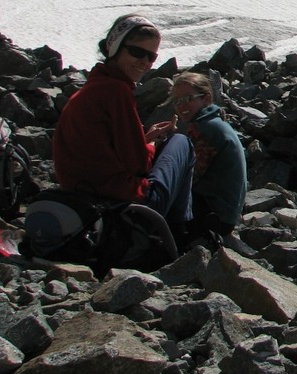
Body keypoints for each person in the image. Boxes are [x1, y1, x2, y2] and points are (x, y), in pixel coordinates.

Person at [52, 14, 194, 232]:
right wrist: (152, 145)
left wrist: (144, 138)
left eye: (151, 57)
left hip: (81, 198)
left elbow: (103, 150)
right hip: (118, 200)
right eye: (137, 53)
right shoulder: (116, 91)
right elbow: (139, 164)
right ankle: (178, 230)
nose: (145, 62)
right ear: (115, 48)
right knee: (181, 143)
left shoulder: (94, 87)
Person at [169, 71, 247, 237]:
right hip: (223, 212)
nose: (181, 105)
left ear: (206, 99)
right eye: (176, 101)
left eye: (188, 99)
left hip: (215, 218)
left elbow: (190, 177)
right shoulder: (211, 122)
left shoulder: (206, 130)